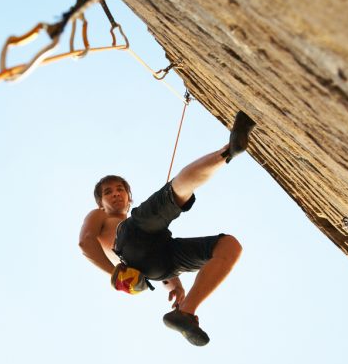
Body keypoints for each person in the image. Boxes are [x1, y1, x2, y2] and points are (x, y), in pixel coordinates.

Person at [78, 111, 255, 346]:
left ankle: (185, 311)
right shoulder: (100, 215)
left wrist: (174, 284)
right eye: (108, 192)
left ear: (129, 198)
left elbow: (154, 259)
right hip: (132, 245)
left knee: (229, 246)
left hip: (156, 266)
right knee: (176, 192)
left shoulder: (135, 217)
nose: (115, 193)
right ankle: (228, 151)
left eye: (120, 189)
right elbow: (85, 242)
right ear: (101, 203)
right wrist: (113, 272)